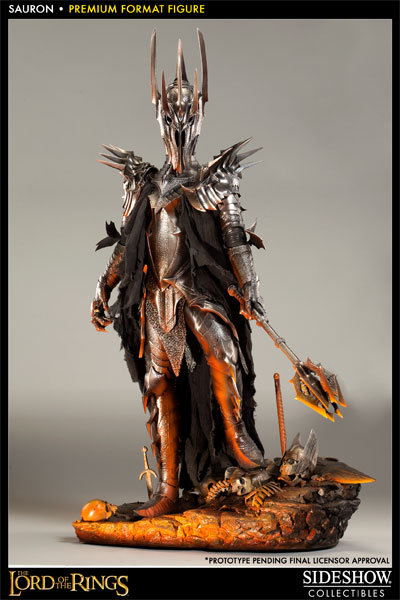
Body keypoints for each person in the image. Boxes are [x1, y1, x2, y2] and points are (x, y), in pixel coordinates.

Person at [91, 31, 267, 518]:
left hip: (198, 292)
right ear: (159, 115)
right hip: (155, 297)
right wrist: (103, 287)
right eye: (171, 111)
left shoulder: (216, 179)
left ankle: (238, 440)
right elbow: (127, 245)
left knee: (223, 352)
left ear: (200, 114)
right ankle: (168, 489)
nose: (179, 120)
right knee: (159, 383)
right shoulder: (143, 183)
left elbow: (234, 239)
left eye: (187, 110)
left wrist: (250, 287)